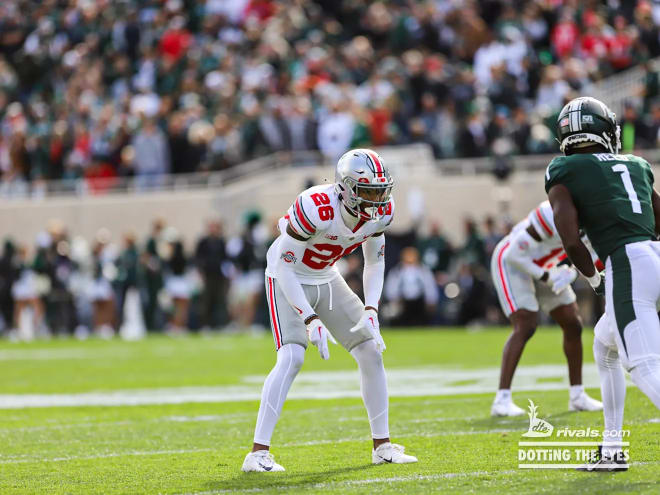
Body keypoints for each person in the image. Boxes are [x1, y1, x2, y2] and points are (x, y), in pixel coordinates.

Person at [242, 149, 417, 472]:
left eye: (380, 190)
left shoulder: (381, 213)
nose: (376, 199)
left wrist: (371, 308)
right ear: (346, 189)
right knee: (292, 357)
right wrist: (309, 318)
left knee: (370, 350)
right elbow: (284, 268)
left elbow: (375, 261)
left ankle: (382, 446)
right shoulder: (316, 207)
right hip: (287, 276)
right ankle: (257, 454)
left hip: (326, 276)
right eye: (367, 191)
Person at [546, 96, 660, 472]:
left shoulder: (564, 170)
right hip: (653, 257)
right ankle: (612, 449)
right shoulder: (636, 164)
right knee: (605, 344)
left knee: (644, 366)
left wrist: (595, 279)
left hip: (627, 264)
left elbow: (571, 241)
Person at [490, 199, 602, 416]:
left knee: (572, 322)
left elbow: (587, 256)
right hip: (513, 260)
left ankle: (577, 396)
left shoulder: (595, 217)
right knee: (526, 324)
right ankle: (501, 400)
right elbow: (514, 254)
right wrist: (547, 276)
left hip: (545, 264)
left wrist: (570, 271)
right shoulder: (552, 212)